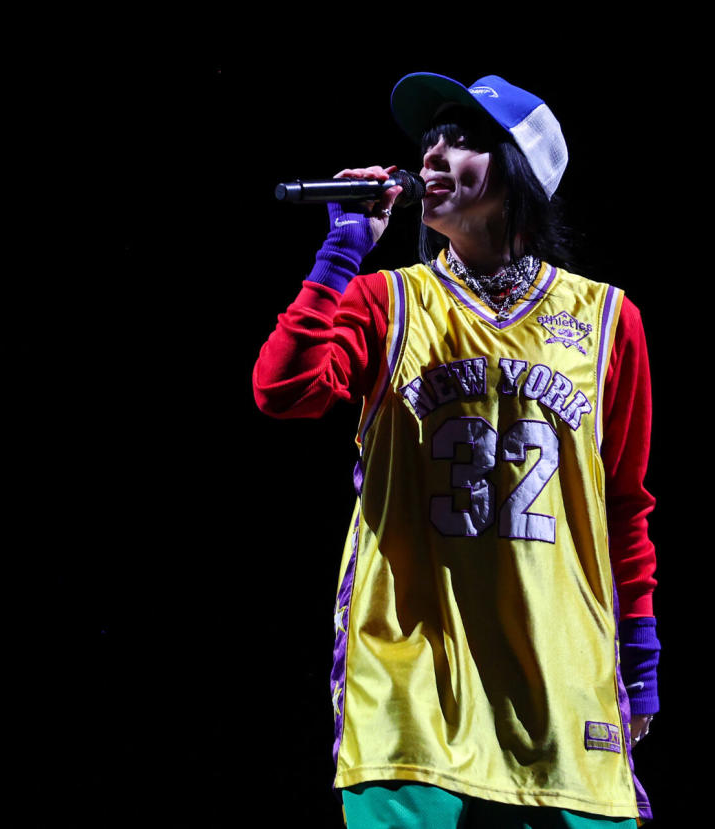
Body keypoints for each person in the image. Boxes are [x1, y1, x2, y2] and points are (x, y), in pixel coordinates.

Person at [253, 73, 660, 828]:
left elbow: (625, 503)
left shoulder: (607, 320)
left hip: (561, 686)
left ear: (520, 172)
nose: (433, 153)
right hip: (411, 686)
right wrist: (344, 250)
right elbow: (284, 388)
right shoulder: (389, 301)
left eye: (464, 137)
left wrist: (639, 648)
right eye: (430, 137)